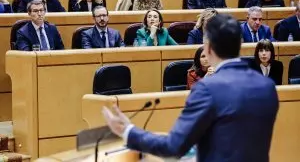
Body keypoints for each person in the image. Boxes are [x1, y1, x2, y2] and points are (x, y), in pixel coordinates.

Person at [102, 14, 279, 161]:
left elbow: (174, 146)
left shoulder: (207, 88)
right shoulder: (266, 86)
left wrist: (128, 131)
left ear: (208, 48)